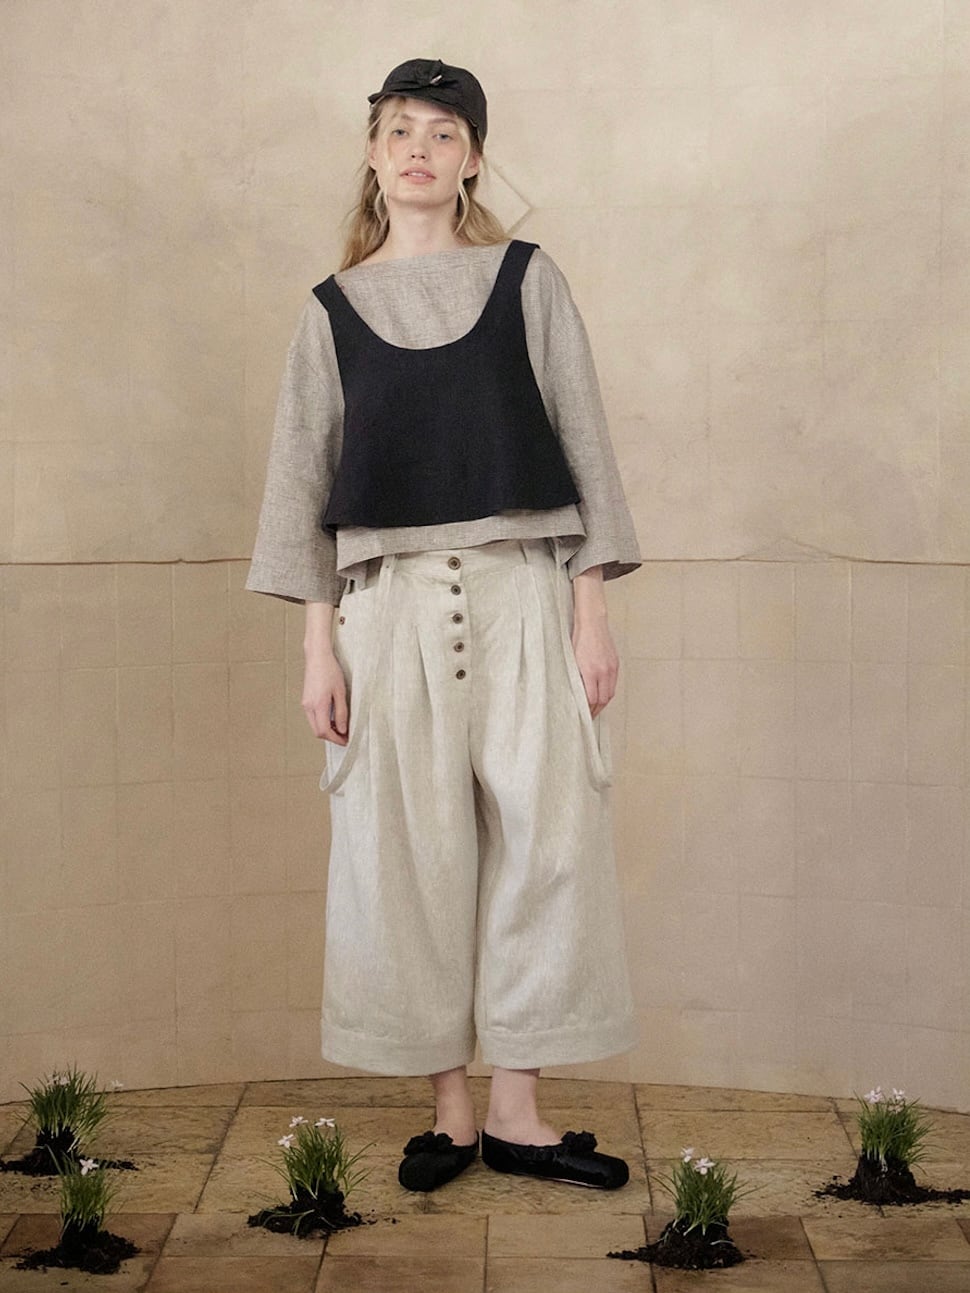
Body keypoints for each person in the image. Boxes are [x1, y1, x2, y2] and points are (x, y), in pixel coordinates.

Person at [246, 57, 641, 1193]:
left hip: (524, 592)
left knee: (548, 845)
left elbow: (585, 440)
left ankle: (518, 1110)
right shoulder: (331, 312)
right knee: (401, 857)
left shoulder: (528, 279)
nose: (418, 150)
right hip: (386, 612)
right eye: (399, 131)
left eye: (442, 132)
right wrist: (317, 650)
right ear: (373, 156)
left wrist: (590, 611)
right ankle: (451, 1113)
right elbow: (300, 489)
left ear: (471, 158)